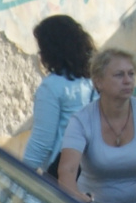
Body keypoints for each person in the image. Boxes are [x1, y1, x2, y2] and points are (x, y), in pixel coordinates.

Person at [56, 49, 136, 203]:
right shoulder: (81, 120)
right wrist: (77, 199)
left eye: (131, 74)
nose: (127, 80)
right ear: (98, 82)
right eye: (119, 75)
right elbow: (67, 171)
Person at [21, 15, 96, 174]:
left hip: (64, 171)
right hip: (94, 170)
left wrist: (18, 180)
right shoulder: (95, 81)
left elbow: (42, 142)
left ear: (51, 51)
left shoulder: (52, 87)